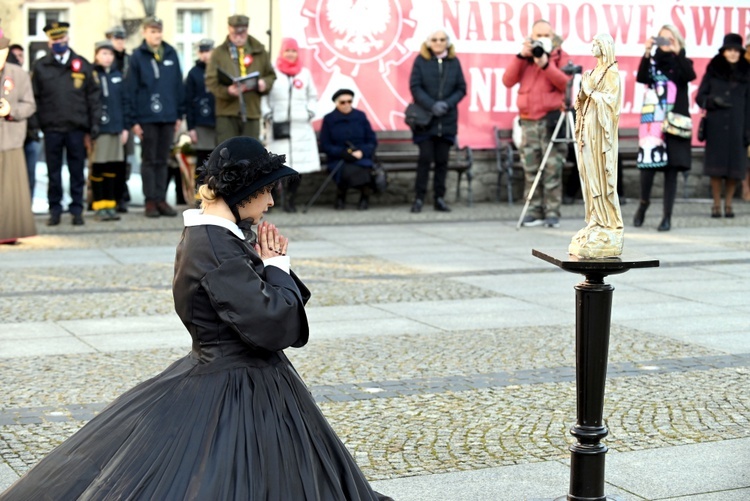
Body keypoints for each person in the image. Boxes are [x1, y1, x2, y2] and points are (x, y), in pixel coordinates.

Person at [0, 136, 393, 501]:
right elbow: (274, 326)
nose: (271, 202)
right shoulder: (216, 245)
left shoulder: (218, 237)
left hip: (242, 378)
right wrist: (277, 267)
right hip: (234, 383)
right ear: (244, 192)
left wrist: (270, 265)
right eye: (267, 190)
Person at [502, 19, 571, 228]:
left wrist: (546, 65)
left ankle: (552, 211)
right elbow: (508, 80)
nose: (542, 40)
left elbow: (566, 83)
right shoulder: (526, 57)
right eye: (537, 36)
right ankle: (533, 210)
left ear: (553, 36)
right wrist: (521, 56)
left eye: (546, 35)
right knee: (530, 166)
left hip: (551, 119)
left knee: (552, 167)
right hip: (528, 120)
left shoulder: (561, 56)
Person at [31, 21, 101, 226]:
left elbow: (93, 97)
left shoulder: (82, 64)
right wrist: (35, 125)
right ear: (49, 42)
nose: (58, 43)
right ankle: (55, 210)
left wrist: (93, 124)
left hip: (76, 129)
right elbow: (34, 97)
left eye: (61, 39)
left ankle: (76, 210)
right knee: (53, 173)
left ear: (67, 39)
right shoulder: (41, 66)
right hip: (51, 128)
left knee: (76, 172)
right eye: (54, 40)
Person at [634, 24, 696, 231]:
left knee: (672, 170)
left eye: (670, 39)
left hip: (675, 123)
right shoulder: (652, 62)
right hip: (653, 123)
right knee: (648, 169)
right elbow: (642, 78)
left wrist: (678, 53)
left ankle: (666, 216)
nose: (666, 43)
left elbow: (689, 76)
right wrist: (646, 51)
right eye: (662, 39)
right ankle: (643, 203)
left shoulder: (682, 62)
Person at [569, 33, 623, 258]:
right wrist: (582, 94)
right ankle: (594, 219)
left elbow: (612, 103)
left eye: (596, 44)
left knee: (600, 174)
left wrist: (591, 91)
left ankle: (607, 222)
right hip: (587, 129)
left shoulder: (612, 74)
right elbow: (582, 102)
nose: (592, 47)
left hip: (601, 134)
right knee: (588, 173)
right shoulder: (592, 73)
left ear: (605, 47)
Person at [126, 16, 185, 218]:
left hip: (168, 116)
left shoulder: (171, 53)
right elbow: (130, 89)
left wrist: (179, 114)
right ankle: (150, 200)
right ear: (144, 33)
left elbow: (178, 85)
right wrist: (133, 120)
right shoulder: (137, 56)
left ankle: (161, 199)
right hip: (146, 117)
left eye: (159, 31)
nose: (156, 35)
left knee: (163, 160)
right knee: (149, 160)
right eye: (152, 31)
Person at [408, 28, 467, 213]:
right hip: (426, 121)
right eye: (435, 39)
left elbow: (461, 88)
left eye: (442, 39)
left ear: (448, 42)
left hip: (447, 120)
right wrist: (431, 105)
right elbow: (415, 87)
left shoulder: (454, 62)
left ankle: (439, 198)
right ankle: (419, 197)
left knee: (442, 161)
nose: (439, 43)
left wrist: (447, 104)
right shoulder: (421, 61)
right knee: (425, 159)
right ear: (428, 42)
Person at [261, 37, 320, 213]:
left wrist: (309, 112)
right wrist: (268, 114)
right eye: (288, 50)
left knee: (297, 168)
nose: (291, 54)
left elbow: (312, 96)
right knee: (275, 165)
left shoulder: (305, 73)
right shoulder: (273, 72)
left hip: (300, 127)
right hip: (279, 125)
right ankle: (273, 199)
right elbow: (265, 96)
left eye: (294, 51)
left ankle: (291, 200)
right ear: (282, 52)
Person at [696, 33, 750, 218]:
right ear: (724, 51)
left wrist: (748, 130)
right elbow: (700, 96)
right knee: (716, 169)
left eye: (737, 50)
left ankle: (729, 205)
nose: (733, 53)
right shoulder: (713, 69)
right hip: (716, 125)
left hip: (738, 125)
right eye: (730, 50)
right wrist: (712, 101)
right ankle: (716, 205)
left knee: (735, 169)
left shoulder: (747, 71)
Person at [206, 14, 276, 143]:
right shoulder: (219, 53)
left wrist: (264, 83)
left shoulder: (259, 51)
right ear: (229, 29)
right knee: (227, 154)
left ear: (247, 30)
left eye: (242, 34)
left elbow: (271, 75)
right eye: (234, 34)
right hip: (227, 112)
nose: (238, 38)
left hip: (251, 111)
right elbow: (211, 81)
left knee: (251, 154)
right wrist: (227, 91)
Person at [0, 28, 37, 244]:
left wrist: (10, 111)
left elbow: (30, 105)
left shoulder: (19, 75)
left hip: (12, 138)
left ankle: (10, 230)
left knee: (12, 188)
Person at [320, 89, 377, 210]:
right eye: (343, 102)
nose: (346, 105)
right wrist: (342, 152)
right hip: (339, 158)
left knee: (364, 168)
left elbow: (371, 140)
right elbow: (325, 144)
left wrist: (362, 152)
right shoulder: (329, 119)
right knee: (346, 169)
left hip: (360, 157)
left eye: (349, 101)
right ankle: (343, 195)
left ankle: (363, 197)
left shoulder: (360, 116)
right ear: (336, 103)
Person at [90, 40, 128, 222]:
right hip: (99, 129)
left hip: (116, 128)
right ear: (97, 55)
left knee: (113, 167)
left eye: (110, 54)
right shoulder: (91, 75)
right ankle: (99, 205)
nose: (107, 57)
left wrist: (125, 127)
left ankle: (110, 204)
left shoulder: (117, 75)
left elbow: (124, 103)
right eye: (104, 53)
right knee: (98, 167)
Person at [6, 43, 41, 199]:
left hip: (30, 134)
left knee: (29, 176)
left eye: (21, 55)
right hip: (9, 136)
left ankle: (27, 207)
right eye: (16, 56)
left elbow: (34, 104)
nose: (19, 59)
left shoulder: (28, 77)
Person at [106, 24, 133, 213]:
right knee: (109, 159)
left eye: (122, 39)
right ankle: (110, 195)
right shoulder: (107, 62)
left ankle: (122, 192)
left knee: (125, 158)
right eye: (116, 39)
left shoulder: (129, 61)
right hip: (109, 117)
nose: (119, 42)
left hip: (126, 114)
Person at [184, 38, 217, 177]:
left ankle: (217, 193)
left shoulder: (218, 71)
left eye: (208, 51)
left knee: (218, 159)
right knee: (202, 159)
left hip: (218, 122)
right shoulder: (193, 74)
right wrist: (191, 128)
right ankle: (200, 194)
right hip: (201, 123)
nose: (205, 55)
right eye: (202, 51)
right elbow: (188, 102)